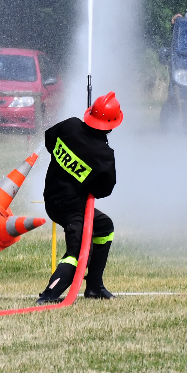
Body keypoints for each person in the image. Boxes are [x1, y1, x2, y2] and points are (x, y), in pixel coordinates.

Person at [37, 91, 122, 303]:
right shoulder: (103, 154)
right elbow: (104, 190)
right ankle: (49, 295)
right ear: (111, 124)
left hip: (52, 198)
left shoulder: (70, 126)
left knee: (103, 226)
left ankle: (94, 287)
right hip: (72, 207)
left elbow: (49, 140)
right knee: (78, 252)